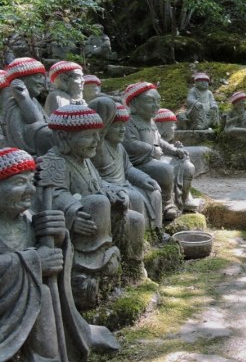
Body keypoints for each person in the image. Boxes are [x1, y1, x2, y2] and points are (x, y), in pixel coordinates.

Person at [0, 147, 119, 362]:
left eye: (31, 182)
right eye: (19, 183)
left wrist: (58, 235)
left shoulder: (27, 219)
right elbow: (33, 265)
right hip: (7, 308)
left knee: (42, 289)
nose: (30, 190)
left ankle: (59, 352)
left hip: (25, 299)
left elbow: (52, 258)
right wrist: (33, 261)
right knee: (40, 292)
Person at [40, 105, 144, 308]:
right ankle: (92, 267)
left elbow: (98, 183)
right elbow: (52, 194)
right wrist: (73, 212)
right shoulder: (54, 161)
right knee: (98, 202)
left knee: (135, 220)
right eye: (90, 136)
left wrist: (114, 191)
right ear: (63, 137)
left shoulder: (85, 161)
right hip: (82, 231)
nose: (97, 141)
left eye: (99, 135)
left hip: (100, 220)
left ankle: (133, 267)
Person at [123, 82, 197, 222]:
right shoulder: (129, 122)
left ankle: (184, 198)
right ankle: (167, 204)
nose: (156, 105)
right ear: (133, 103)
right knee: (165, 170)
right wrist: (150, 149)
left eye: (158, 101)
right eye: (150, 101)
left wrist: (174, 151)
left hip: (154, 158)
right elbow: (129, 144)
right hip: (138, 163)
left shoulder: (151, 122)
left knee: (186, 166)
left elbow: (160, 141)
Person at [89, 98, 163, 233]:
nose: (123, 130)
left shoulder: (119, 147)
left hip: (126, 184)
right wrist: (106, 110)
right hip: (110, 188)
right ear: (106, 128)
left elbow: (128, 169)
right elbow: (99, 125)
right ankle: (137, 237)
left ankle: (156, 231)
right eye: (117, 126)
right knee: (135, 198)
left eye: (124, 126)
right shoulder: (98, 147)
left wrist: (144, 178)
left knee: (154, 192)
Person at [3, 57, 53, 155]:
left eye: (43, 77)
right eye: (38, 77)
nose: (42, 82)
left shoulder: (33, 101)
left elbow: (46, 124)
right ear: (20, 80)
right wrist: (23, 97)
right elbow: (38, 124)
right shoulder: (14, 105)